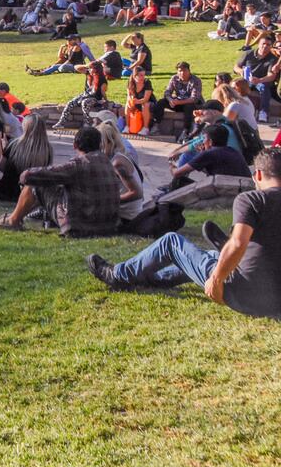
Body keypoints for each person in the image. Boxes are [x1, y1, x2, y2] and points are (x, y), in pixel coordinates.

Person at [86, 147, 281, 319]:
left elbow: (238, 243)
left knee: (171, 242)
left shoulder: (252, 199)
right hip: (276, 302)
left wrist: (216, 280)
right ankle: (156, 279)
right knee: (210, 256)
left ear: (258, 175)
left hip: (245, 295)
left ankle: (118, 275)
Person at [0, 126, 120, 236]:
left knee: (35, 183)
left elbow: (28, 176)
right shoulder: (107, 162)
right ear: (99, 145)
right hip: (108, 227)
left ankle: (13, 221)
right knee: (62, 187)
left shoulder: (79, 164)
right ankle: (15, 216)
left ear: (75, 145)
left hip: (79, 227)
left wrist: (24, 175)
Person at [0, 114, 54, 202]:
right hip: (32, 196)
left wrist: (3, 148)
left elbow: (2, 167)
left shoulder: (14, 144)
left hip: (7, 192)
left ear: (25, 127)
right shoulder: (47, 149)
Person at [53, 60, 109, 129]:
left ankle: (88, 124)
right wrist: (86, 65)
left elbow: (103, 93)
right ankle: (61, 123)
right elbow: (76, 67)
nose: (89, 69)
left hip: (96, 98)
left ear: (96, 70)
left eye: (91, 68)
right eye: (89, 68)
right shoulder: (88, 73)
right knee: (71, 103)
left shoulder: (102, 80)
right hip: (85, 95)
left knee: (85, 102)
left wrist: (106, 101)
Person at [155, 62, 204, 137]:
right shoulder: (174, 78)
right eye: (180, 71)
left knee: (189, 106)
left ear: (189, 71)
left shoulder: (196, 80)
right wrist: (170, 100)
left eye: (184, 70)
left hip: (193, 105)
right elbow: (167, 92)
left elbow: (194, 99)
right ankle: (156, 125)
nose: (182, 73)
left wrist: (178, 102)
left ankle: (186, 131)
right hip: (178, 102)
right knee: (161, 102)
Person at [125, 67, 155, 135]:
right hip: (137, 102)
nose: (143, 77)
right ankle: (127, 126)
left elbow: (146, 99)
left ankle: (146, 128)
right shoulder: (130, 82)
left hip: (149, 103)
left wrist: (135, 102)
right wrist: (131, 102)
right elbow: (129, 96)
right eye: (141, 75)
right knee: (127, 104)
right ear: (135, 76)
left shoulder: (147, 82)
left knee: (145, 104)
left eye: (144, 75)